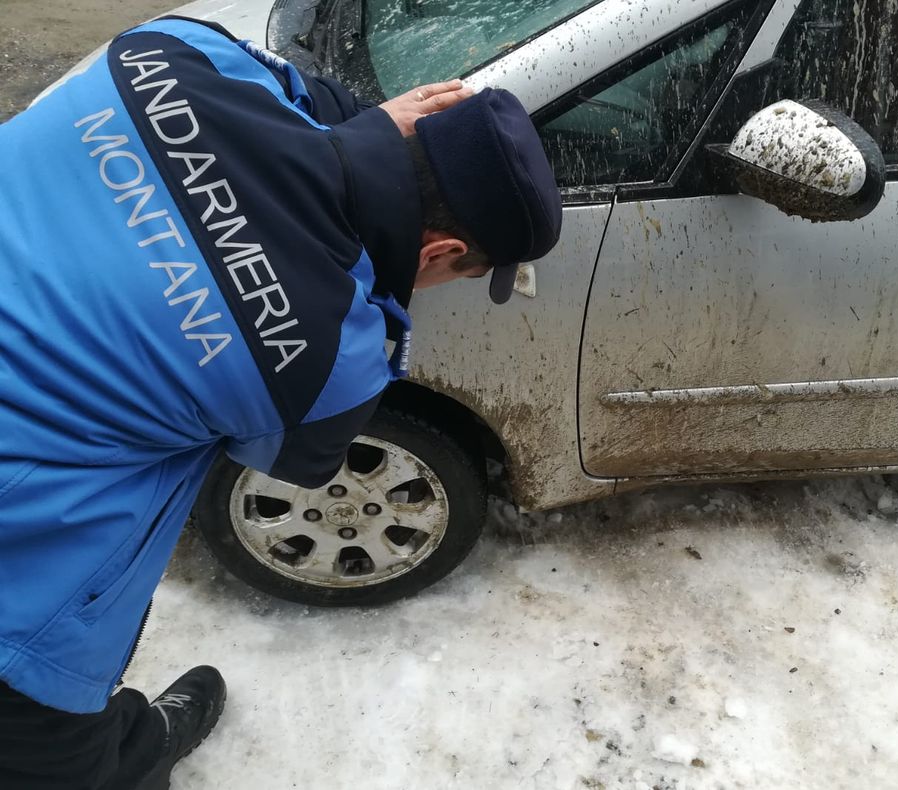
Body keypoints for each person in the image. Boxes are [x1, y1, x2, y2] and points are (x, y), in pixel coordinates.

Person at [0, 14, 562, 790]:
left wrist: (369, 137)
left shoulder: (167, 48)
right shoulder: (330, 360)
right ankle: (138, 753)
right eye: (461, 276)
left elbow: (308, 98)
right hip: (17, 570)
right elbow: (286, 456)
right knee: (56, 766)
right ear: (441, 253)